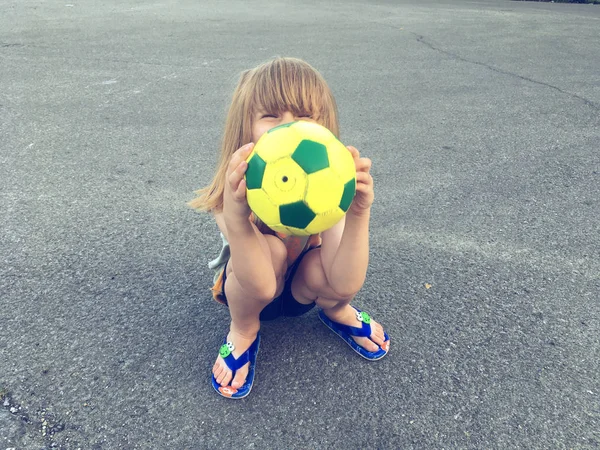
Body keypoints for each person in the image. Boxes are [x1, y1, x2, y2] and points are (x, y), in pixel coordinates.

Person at [189, 57, 390, 399]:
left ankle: (336, 312)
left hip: (302, 291)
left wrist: (358, 214)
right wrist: (238, 218)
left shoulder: (329, 186)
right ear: (245, 128)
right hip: (252, 294)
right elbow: (262, 285)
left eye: (304, 116)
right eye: (271, 116)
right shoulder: (232, 192)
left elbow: (344, 281)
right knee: (274, 249)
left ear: (323, 127)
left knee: (324, 265)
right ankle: (243, 330)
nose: (288, 127)